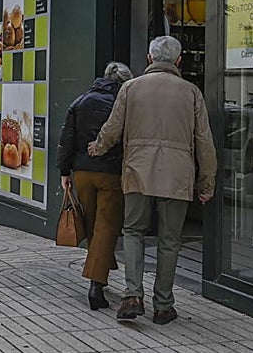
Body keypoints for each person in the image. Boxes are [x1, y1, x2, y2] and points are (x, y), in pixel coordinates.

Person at [89, 36, 216, 325]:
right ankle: (163, 306)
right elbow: (204, 142)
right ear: (179, 62)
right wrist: (206, 182)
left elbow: (113, 127)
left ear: (149, 59)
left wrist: (98, 146)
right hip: (178, 175)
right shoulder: (191, 92)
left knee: (133, 231)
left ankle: (132, 295)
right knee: (170, 240)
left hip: (138, 171)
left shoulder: (130, 88)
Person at [58, 62, 133, 311]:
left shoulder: (81, 101)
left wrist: (64, 171)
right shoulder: (123, 104)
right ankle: (96, 285)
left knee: (93, 224)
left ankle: (102, 265)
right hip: (111, 174)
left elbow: (66, 138)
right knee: (106, 228)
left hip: (82, 173)